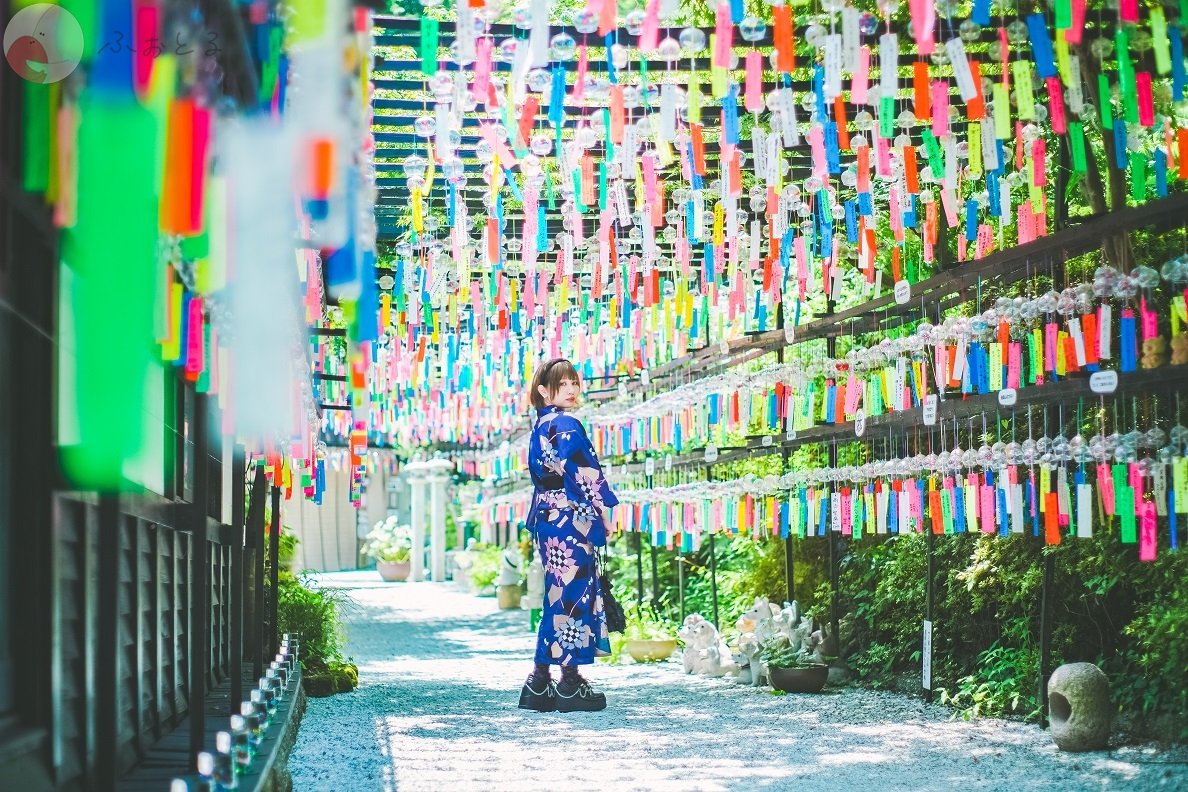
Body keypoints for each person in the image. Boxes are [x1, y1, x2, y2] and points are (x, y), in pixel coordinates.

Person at [518, 357, 619, 713]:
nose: (573, 390)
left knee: (557, 595)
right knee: (573, 595)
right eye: (564, 385)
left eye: (575, 383)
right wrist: (602, 511)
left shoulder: (538, 428)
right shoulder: (567, 424)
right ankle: (571, 681)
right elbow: (583, 473)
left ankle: (540, 681)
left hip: (547, 518)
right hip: (570, 520)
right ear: (545, 391)